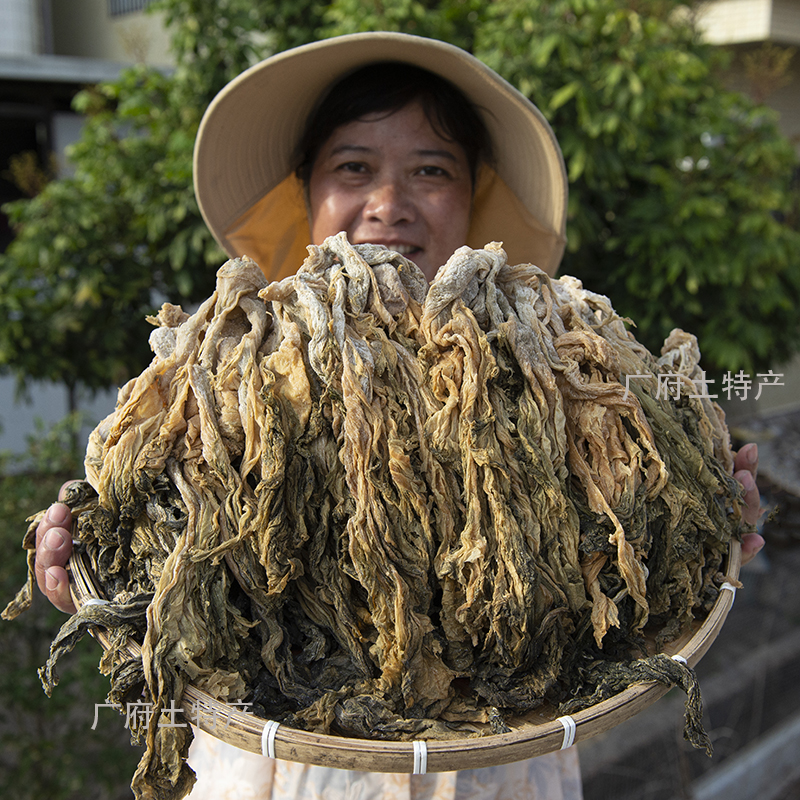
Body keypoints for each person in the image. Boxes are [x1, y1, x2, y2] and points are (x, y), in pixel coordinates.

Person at [33, 32, 764, 800]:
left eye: (431, 171)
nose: (389, 204)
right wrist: (105, 574)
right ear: (306, 189)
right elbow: (175, 574)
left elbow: (621, 576)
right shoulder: (221, 375)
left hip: (504, 771)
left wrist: (701, 516)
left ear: (472, 192)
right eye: (353, 167)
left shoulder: (555, 368)